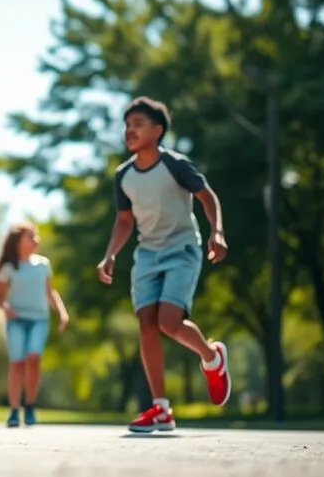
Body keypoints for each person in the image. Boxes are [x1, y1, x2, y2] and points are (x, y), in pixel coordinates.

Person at [96, 96, 232, 433]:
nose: (130, 130)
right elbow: (124, 221)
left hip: (182, 249)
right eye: (127, 125)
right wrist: (110, 254)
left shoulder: (175, 165)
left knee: (169, 322)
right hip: (147, 255)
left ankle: (211, 357)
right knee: (146, 323)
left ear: (157, 130)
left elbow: (208, 197)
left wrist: (217, 232)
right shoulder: (123, 175)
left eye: (138, 124)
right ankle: (161, 409)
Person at [0, 222, 69, 428]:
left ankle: (30, 405)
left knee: (33, 358)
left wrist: (62, 312)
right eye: (31, 237)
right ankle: (13, 410)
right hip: (16, 320)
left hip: (39, 319)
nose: (36, 240)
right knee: (17, 363)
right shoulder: (8, 267)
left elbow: (50, 292)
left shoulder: (43, 264)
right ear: (18, 241)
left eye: (36, 236)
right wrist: (6, 307)